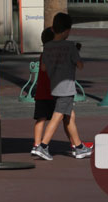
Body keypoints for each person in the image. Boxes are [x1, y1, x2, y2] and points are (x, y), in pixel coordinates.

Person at [35, 12, 93, 161]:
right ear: (68, 30)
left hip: (54, 86)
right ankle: (43, 145)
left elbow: (43, 68)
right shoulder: (70, 46)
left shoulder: (47, 47)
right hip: (66, 87)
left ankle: (79, 146)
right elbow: (80, 65)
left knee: (69, 116)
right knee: (57, 116)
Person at [30, 28, 80, 158]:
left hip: (42, 92)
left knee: (41, 119)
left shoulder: (44, 54)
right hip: (55, 92)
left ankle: (36, 144)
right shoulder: (55, 55)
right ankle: (75, 145)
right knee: (67, 117)